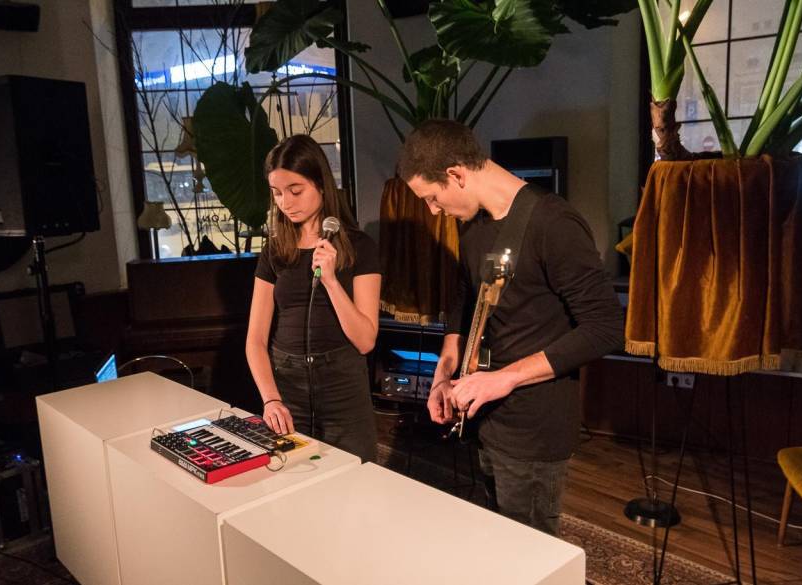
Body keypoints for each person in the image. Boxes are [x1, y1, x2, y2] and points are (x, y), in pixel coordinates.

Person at [397, 120, 624, 535]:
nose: (433, 210)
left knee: (531, 549)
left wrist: (504, 378)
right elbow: (465, 294)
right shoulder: (473, 222)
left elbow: (606, 327)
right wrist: (444, 371)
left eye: (431, 198)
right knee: (499, 536)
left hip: (534, 427)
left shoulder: (553, 223)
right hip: (487, 416)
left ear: (456, 175)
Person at [245, 134, 381, 463]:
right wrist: (271, 399)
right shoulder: (275, 251)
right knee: (293, 479)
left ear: (320, 184)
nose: (286, 203)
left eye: (296, 191)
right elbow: (255, 340)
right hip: (287, 386)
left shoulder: (360, 247)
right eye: (277, 193)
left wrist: (331, 281)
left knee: (355, 479)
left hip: (342, 385)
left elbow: (365, 341)